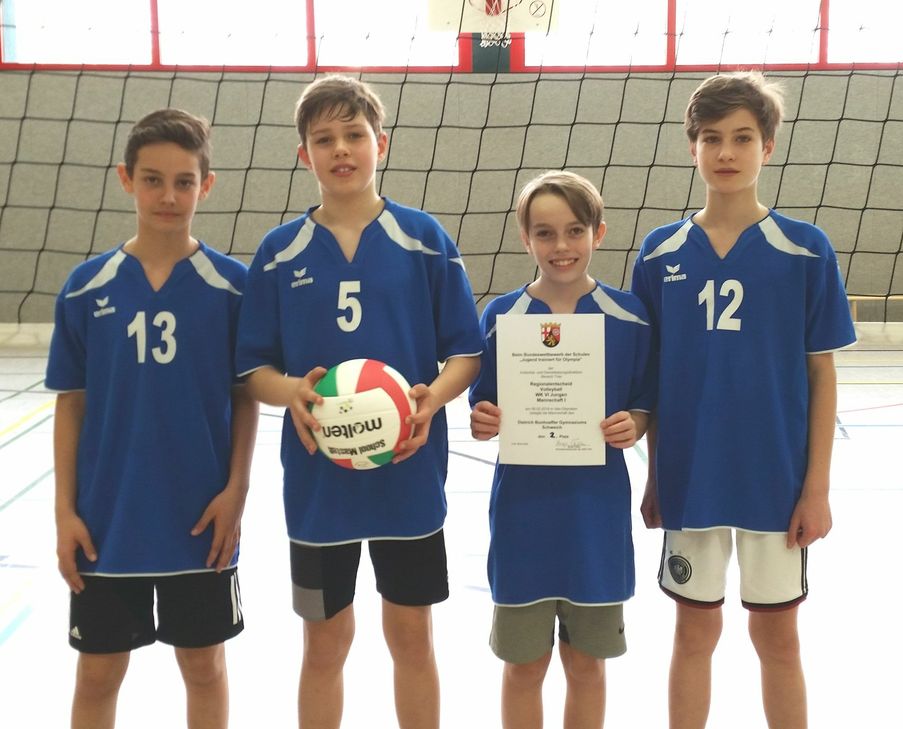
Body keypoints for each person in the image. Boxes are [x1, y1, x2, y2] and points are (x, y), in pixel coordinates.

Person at [234, 74, 482, 729]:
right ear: (303, 154)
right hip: (319, 488)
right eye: (324, 138)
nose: (340, 148)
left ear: (382, 143)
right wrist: (288, 390)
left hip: (408, 477)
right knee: (324, 644)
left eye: (354, 134)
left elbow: (465, 351)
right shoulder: (278, 253)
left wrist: (430, 401)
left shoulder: (423, 238)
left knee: (411, 638)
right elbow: (250, 366)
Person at [630, 72, 857, 729]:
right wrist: (655, 474)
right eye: (710, 138)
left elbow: (821, 376)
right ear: (690, 147)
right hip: (691, 477)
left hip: (775, 481)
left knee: (776, 639)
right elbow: (649, 378)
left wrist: (816, 487)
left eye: (741, 137)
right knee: (692, 634)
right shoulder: (659, 252)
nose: (725, 151)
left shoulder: (804, 250)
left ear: (768, 146)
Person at [46, 108, 259, 729]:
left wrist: (237, 492)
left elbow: (245, 396)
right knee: (98, 672)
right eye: (153, 180)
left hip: (203, 518)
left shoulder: (233, 287)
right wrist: (65, 511)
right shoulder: (87, 288)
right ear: (126, 180)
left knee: (204, 665)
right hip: (107, 519)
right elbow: (71, 404)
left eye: (184, 181)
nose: (169, 196)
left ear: (207, 185)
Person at [469, 170, 654, 729]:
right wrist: (484, 420)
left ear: (599, 233)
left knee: (587, 667)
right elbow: (483, 410)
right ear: (525, 238)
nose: (562, 246)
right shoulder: (502, 318)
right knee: (524, 669)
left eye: (575, 231)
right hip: (524, 523)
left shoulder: (630, 318)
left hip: (594, 522)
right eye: (545, 233)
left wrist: (635, 424)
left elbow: (644, 403)